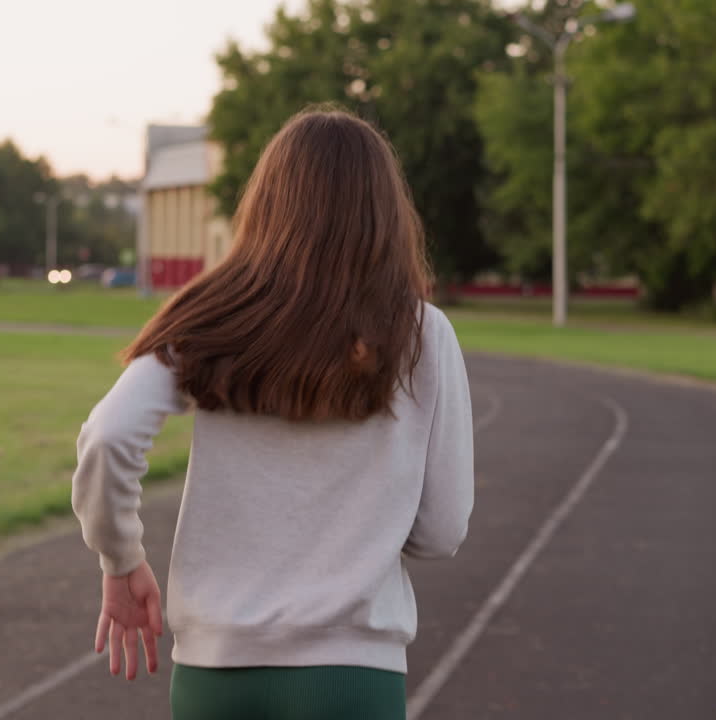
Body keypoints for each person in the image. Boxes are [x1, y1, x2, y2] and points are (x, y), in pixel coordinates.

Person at [71, 107, 475, 720]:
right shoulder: (422, 333)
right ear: (386, 214)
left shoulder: (210, 315)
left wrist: (121, 560)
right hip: (353, 678)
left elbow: (108, 435)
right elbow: (442, 530)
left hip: (216, 676)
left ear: (267, 204)